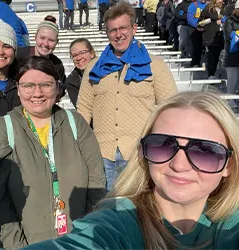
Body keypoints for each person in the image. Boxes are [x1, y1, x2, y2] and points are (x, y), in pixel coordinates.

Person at [21, 90, 239, 250]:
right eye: (162, 144)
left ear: (228, 165)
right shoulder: (118, 223)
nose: (179, 165)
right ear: (143, 153)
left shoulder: (231, 226)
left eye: (204, 151)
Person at [0, 56, 106, 249]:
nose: (37, 92)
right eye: (28, 85)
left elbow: (96, 182)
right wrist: (18, 246)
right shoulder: (3, 129)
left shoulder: (75, 123)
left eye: (46, 84)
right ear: (18, 89)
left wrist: (85, 232)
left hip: (77, 242)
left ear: (58, 87)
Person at [77, 2, 177, 191]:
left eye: (123, 28)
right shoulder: (93, 67)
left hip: (139, 154)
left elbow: (171, 109)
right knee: (105, 209)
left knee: (139, 209)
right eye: (112, 30)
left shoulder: (155, 65)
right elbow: (83, 110)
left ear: (134, 29)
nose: (118, 34)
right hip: (101, 153)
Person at [198, 0, 225, 78]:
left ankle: (216, 73)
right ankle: (211, 74)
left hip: (220, 35)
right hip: (210, 34)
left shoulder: (224, 9)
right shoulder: (208, 9)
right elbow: (200, 22)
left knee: (218, 55)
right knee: (212, 54)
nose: (220, 1)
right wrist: (212, 21)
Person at [66, 38, 96, 107]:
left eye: (82, 53)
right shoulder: (71, 82)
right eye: (74, 55)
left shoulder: (106, 71)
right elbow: (80, 107)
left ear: (92, 53)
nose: (78, 58)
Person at [223, 1, 239, 94]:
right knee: (233, 79)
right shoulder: (229, 21)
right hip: (232, 53)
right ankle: (230, 100)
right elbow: (228, 36)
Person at [187, 0, 208, 67]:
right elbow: (190, 19)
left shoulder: (208, 5)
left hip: (205, 28)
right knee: (196, 46)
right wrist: (197, 26)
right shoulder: (194, 5)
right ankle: (195, 63)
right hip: (194, 28)